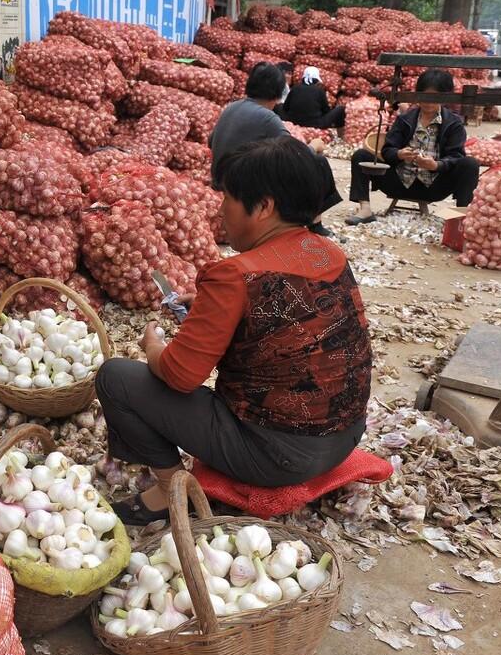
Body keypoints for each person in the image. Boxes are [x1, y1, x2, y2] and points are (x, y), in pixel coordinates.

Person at [96, 137, 372, 525]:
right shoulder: (330, 253)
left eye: (227, 197)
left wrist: (154, 343)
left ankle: (170, 492)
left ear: (263, 207)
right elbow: (288, 325)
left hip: (277, 457)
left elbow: (179, 375)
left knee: (116, 378)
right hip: (345, 437)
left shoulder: (234, 276)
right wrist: (209, 310)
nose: (221, 209)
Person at [209, 62, 340, 237]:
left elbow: (211, 141)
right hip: (241, 183)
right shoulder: (267, 118)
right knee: (317, 162)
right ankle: (315, 222)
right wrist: (314, 146)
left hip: (220, 176)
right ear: (278, 93)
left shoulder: (231, 107)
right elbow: (295, 155)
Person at [346, 68, 479, 225]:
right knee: (361, 155)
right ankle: (365, 209)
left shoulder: (453, 123)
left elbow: (456, 156)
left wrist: (436, 165)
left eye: (435, 97)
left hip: (434, 186)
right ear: (418, 94)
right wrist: (399, 154)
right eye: (425, 96)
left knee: (470, 163)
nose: (428, 102)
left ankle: (459, 218)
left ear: (444, 97)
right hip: (399, 181)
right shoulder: (405, 119)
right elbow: (387, 150)